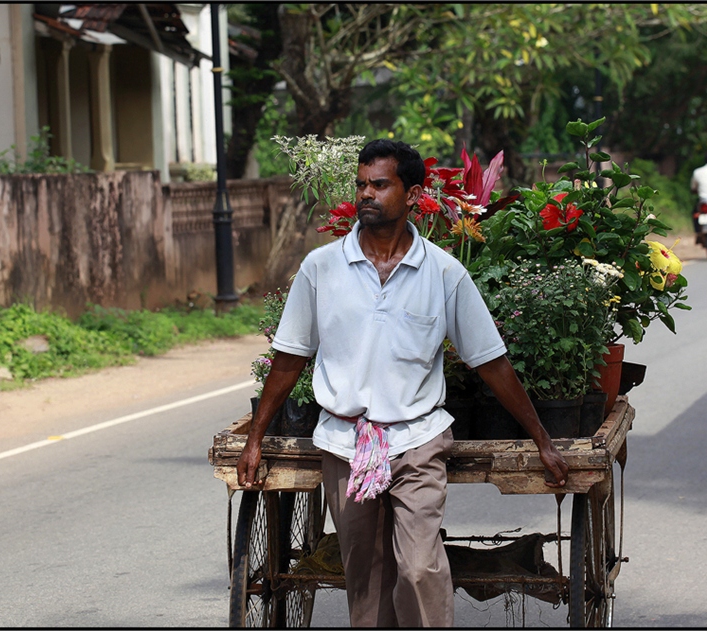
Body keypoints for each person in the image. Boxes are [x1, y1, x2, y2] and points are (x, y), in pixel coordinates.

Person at [236, 139, 569, 628]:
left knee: (418, 567)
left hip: (415, 440)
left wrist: (542, 439)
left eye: (379, 184)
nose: (365, 194)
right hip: (345, 443)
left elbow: (490, 362)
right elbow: (289, 357)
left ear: (413, 193)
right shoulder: (321, 268)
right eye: (360, 184)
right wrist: (256, 438)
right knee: (366, 582)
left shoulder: (443, 272)